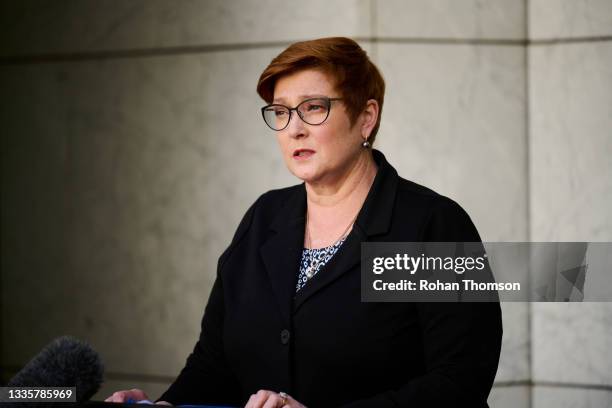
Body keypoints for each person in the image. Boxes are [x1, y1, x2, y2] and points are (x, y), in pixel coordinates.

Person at [106, 36, 502, 408]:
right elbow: (216, 362)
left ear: (366, 118)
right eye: (280, 111)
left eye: (313, 107)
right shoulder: (264, 218)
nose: (294, 128)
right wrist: (163, 405)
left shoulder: (430, 226)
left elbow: (459, 382)